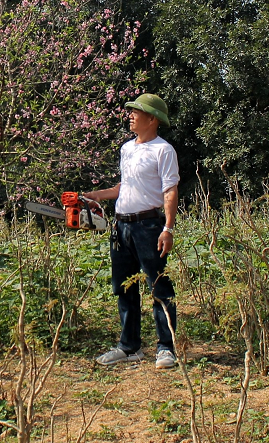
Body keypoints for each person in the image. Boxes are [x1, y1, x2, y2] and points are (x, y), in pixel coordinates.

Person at [83, 93, 179, 368]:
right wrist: (96, 196)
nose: (130, 115)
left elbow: (170, 189)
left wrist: (168, 228)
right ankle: (129, 346)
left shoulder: (163, 150)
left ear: (152, 119)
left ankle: (166, 347)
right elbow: (123, 187)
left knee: (159, 284)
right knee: (124, 286)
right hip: (121, 225)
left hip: (149, 225)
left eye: (136, 111)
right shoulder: (127, 149)